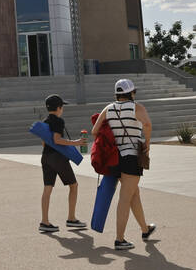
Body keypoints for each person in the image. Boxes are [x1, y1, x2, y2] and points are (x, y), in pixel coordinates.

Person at [91, 78, 156, 250]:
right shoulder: (137, 107)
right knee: (126, 197)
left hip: (114, 158)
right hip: (131, 157)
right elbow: (147, 124)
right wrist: (146, 144)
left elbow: (94, 131)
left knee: (134, 194)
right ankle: (120, 239)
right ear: (132, 92)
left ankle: (145, 229)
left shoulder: (108, 108)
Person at [38, 94, 87, 233]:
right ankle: (71, 218)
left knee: (47, 188)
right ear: (59, 108)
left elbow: (44, 142)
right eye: (62, 106)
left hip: (46, 156)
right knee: (73, 185)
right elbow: (57, 140)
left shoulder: (44, 122)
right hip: (58, 157)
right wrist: (76, 143)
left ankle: (45, 221)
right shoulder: (59, 121)